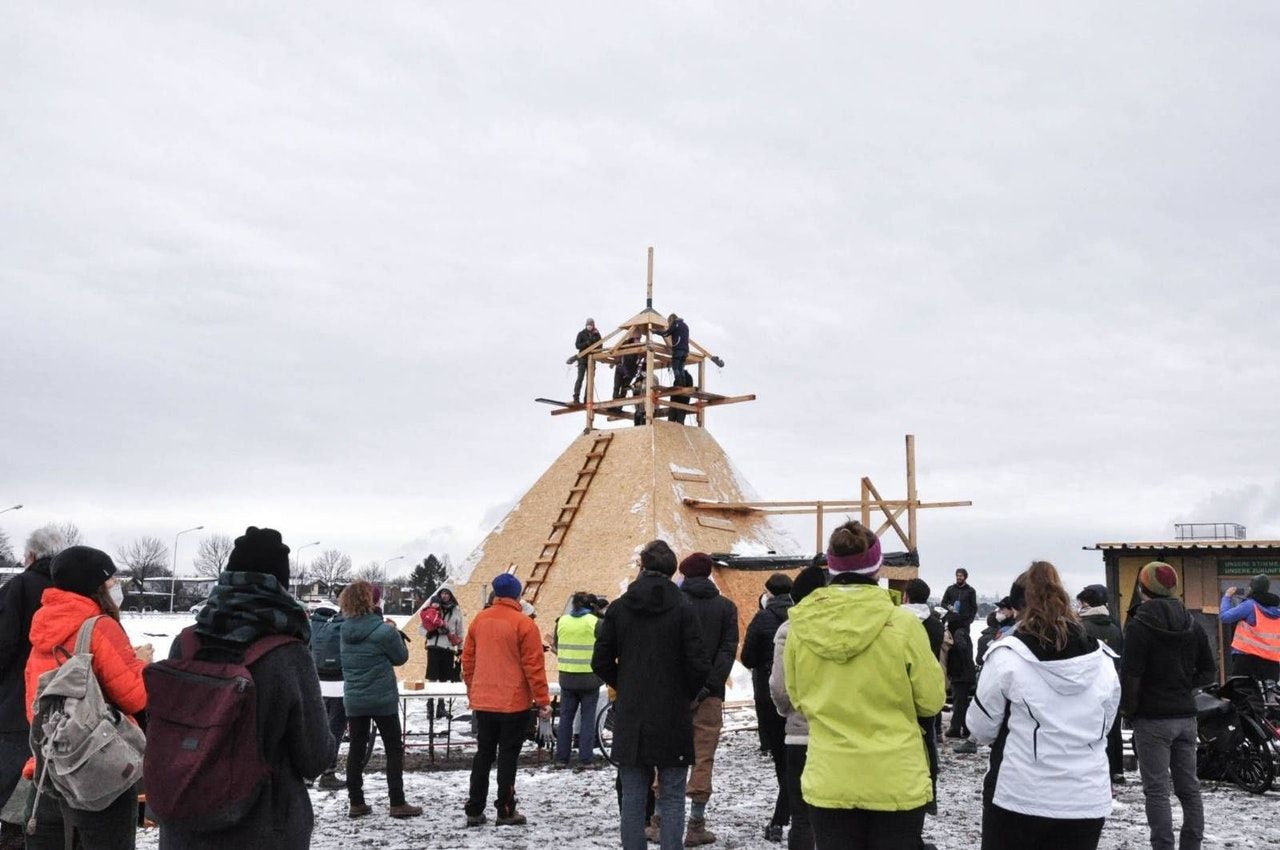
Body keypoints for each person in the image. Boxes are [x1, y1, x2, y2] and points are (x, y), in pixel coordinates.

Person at [155, 526, 334, 850]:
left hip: (184, 824)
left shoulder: (186, 644)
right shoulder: (289, 654)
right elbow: (315, 757)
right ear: (280, 584)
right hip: (263, 829)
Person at [784, 522, 945, 850]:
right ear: (877, 566)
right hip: (895, 778)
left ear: (831, 565)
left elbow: (797, 697)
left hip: (831, 777)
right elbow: (931, 701)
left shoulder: (802, 627)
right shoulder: (903, 625)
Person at [968, 562, 1121, 850]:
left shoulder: (1006, 657)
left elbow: (981, 728)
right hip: (1086, 798)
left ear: (1017, 609)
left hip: (1020, 794)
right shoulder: (1102, 660)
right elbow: (1106, 722)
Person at [23, 545, 148, 850]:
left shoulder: (42, 625)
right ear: (95, 585)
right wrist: (142, 663)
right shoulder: (100, 627)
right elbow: (136, 698)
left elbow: (34, 702)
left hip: (48, 765)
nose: (115, 586)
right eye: (110, 580)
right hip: (96, 765)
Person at [592, 540, 709, 850]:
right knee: (671, 795)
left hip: (632, 714)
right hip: (672, 713)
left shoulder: (619, 608)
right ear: (672, 571)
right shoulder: (684, 608)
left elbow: (600, 660)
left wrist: (626, 684)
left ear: (642, 568)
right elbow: (699, 664)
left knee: (633, 795)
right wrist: (686, 692)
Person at [1120, 561, 1217, 850]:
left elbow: (1131, 676)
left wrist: (1130, 711)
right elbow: (1208, 672)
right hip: (1186, 717)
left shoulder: (1139, 626)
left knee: (1157, 791)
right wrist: (1182, 686)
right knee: (1189, 789)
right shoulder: (1192, 623)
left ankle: (1162, 846)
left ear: (1142, 589)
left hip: (1152, 719)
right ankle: (1192, 845)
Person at [461, 572, 551, 827]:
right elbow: (534, 667)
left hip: (484, 701)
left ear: (496, 594)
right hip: (514, 703)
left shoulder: (479, 620)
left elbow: (468, 660)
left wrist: (473, 688)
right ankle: (506, 809)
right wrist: (543, 701)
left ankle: (474, 808)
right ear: (518, 595)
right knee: (508, 757)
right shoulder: (524, 624)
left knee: (483, 755)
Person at [339, 580, 420, 819]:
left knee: (356, 747)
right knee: (393, 749)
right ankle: (397, 801)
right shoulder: (383, 630)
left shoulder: (344, 630)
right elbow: (401, 658)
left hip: (354, 699)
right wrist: (394, 632)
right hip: (382, 699)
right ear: (371, 601)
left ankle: (356, 801)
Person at [675, 552, 739, 846]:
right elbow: (727, 651)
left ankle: (660, 821)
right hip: (710, 695)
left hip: (674, 695)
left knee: (667, 755)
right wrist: (708, 686)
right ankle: (696, 824)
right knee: (703, 759)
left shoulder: (674, 604)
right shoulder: (726, 608)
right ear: (710, 574)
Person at [0, 525, 63, 824]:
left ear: (32, 555)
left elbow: (4, 643)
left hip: (13, 704)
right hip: (61, 708)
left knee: (9, 790)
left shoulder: (18, 587)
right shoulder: (69, 592)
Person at [769, 566, 827, 850]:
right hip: (837, 733)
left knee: (802, 818)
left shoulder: (789, 630)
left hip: (800, 734)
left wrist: (786, 711)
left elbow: (780, 687)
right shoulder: (844, 626)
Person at [741, 573, 793, 842]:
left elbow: (747, 657)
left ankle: (782, 815)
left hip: (768, 694)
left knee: (782, 759)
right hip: (797, 695)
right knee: (797, 756)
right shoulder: (800, 616)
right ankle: (785, 812)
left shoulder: (762, 618)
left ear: (768, 592)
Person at [1076, 584, 1125, 784]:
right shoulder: (1114, 626)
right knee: (1113, 728)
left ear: (1086, 603)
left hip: (1087, 686)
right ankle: (1117, 768)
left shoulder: (1080, 627)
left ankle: (1092, 767)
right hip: (1112, 683)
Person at [903, 578, 945, 811]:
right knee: (928, 743)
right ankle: (931, 795)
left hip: (900, 689)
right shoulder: (935, 625)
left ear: (906, 595)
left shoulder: (897, 623)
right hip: (928, 686)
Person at [551, 591, 602, 769]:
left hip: (566, 677)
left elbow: (556, 646)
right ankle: (585, 759)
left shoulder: (562, 621)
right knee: (587, 719)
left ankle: (561, 759)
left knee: (565, 718)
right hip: (590, 678)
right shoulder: (595, 622)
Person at [309, 601, 348, 790]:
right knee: (336, 730)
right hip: (340, 684)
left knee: (316, 728)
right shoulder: (343, 624)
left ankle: (308, 774)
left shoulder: (312, 625)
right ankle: (328, 773)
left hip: (318, 684)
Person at [1220, 573, 1280, 683]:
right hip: (1272, 662)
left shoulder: (1250, 605)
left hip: (1247, 660)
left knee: (1243, 694)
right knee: (1270, 696)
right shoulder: (1277, 609)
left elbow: (1225, 617)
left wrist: (1227, 597)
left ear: (1252, 588)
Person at [420, 586, 466, 718]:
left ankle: (441, 706)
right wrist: (430, 632)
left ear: (451, 595)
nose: (445, 596)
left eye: (447, 593)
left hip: (448, 648)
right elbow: (421, 628)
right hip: (434, 647)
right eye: (443, 593)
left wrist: (460, 648)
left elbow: (460, 631)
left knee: (444, 679)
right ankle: (430, 706)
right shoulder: (432, 609)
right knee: (432, 678)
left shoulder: (456, 612)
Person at [570, 317, 601, 404]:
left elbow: (600, 345)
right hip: (583, 359)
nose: (589, 326)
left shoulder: (597, 334)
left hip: (592, 359)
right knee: (580, 378)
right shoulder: (581, 334)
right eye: (588, 325)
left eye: (591, 325)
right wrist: (586, 343)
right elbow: (577, 345)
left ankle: (586, 399)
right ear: (586, 325)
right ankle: (576, 397)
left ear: (593, 325)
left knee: (590, 380)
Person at [658, 313, 690, 382]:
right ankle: (683, 383)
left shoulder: (675, 324)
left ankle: (678, 382)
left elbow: (666, 333)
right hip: (686, 350)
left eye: (669, 322)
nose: (669, 324)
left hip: (678, 349)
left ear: (671, 320)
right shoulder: (685, 325)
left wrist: (656, 332)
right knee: (681, 367)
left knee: (675, 366)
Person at [613, 332, 643, 398]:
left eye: (639, 339)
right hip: (621, 369)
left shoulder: (640, 346)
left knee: (624, 389)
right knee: (616, 386)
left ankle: (619, 406)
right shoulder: (624, 343)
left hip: (630, 371)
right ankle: (614, 403)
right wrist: (616, 360)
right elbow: (615, 351)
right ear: (632, 338)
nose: (638, 340)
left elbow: (642, 356)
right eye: (637, 338)